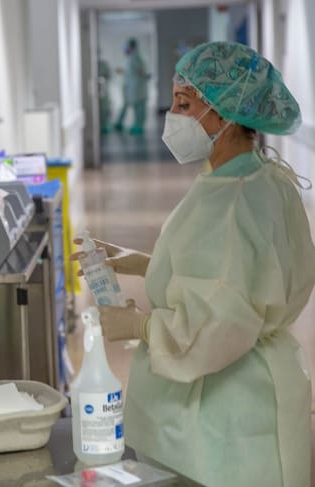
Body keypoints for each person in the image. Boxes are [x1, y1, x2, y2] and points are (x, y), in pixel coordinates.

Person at [74, 41, 314, 486]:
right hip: (253, 390)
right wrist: (144, 264)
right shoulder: (260, 178)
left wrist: (141, 325)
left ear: (225, 115)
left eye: (184, 105)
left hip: (225, 412)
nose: (172, 116)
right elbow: (237, 278)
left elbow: (217, 325)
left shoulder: (232, 202)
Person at [113, 38, 149, 135]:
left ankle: (139, 126)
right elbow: (132, 72)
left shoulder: (136, 57)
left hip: (138, 88)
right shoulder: (131, 58)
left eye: (126, 46)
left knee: (139, 109)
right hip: (133, 88)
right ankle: (136, 125)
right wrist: (122, 71)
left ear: (131, 46)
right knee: (136, 107)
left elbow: (141, 71)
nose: (124, 49)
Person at [98, 53, 112, 134]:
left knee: (105, 108)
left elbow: (108, 75)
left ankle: (105, 126)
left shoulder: (104, 64)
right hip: (98, 93)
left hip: (104, 91)